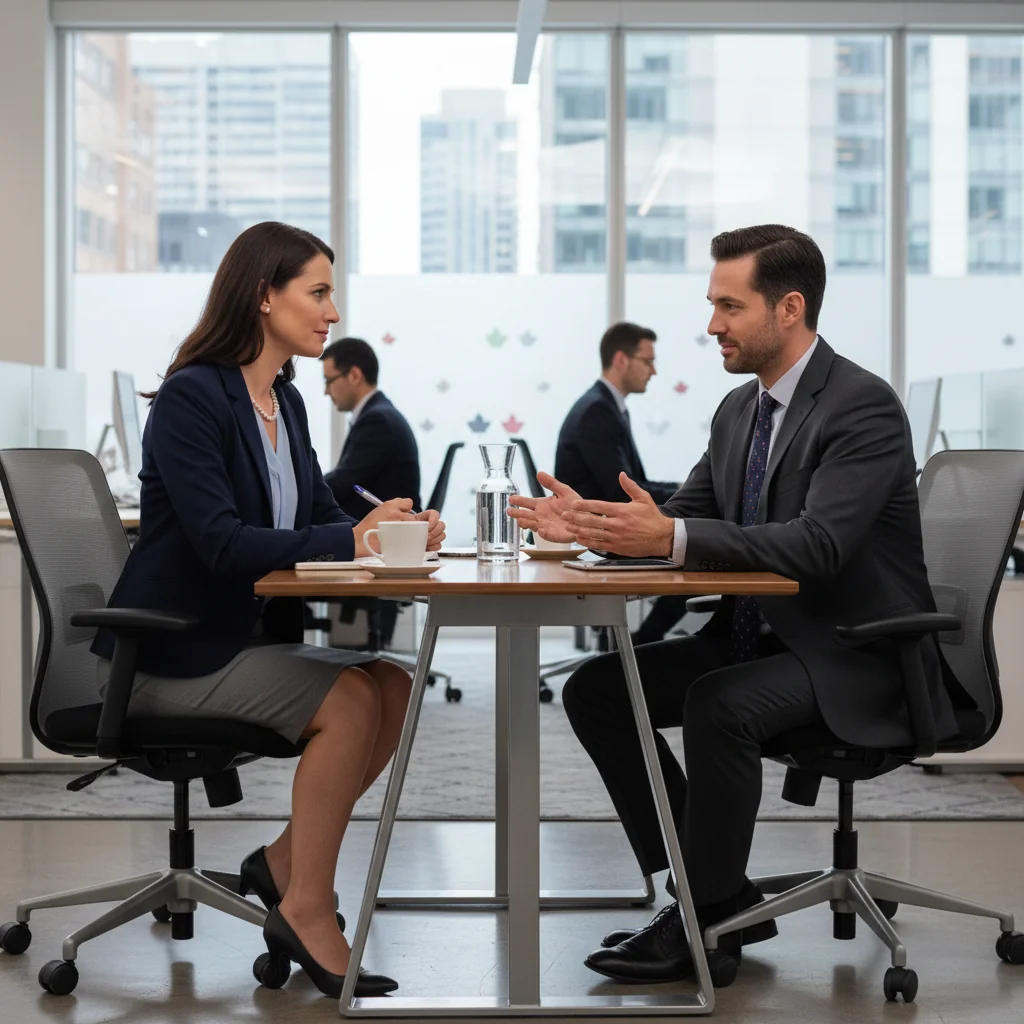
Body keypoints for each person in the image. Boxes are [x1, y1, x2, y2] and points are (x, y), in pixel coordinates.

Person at [508, 224, 970, 985]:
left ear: (789, 309)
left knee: (717, 702)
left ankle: (704, 921)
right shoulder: (738, 412)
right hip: (761, 638)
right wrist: (594, 526)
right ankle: (700, 890)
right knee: (596, 689)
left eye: (729, 305)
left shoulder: (861, 407)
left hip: (854, 651)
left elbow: (817, 544)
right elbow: (683, 521)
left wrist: (674, 535)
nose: (712, 324)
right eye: (712, 304)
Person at [90, 222, 445, 999]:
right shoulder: (193, 398)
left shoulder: (283, 399)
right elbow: (221, 544)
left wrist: (389, 531)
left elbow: (316, 516)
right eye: (317, 292)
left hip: (238, 641)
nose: (332, 312)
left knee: (393, 685)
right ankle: (304, 906)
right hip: (175, 653)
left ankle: (283, 862)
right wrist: (352, 538)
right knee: (352, 699)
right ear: (263, 295)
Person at [554, 321, 685, 645]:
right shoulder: (597, 410)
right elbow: (621, 492)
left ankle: (644, 639)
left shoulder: (607, 406)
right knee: (697, 547)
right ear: (622, 360)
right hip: (599, 532)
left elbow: (632, 482)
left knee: (698, 529)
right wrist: (690, 493)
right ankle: (645, 640)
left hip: (604, 524)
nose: (653, 371)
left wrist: (690, 489)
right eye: (648, 361)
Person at [321, 338, 421, 519]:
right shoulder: (380, 413)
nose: (326, 391)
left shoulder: (377, 421)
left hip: (387, 534)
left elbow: (342, 482)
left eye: (329, 381)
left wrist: (300, 490)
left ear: (354, 375)